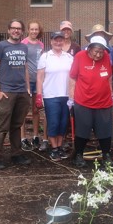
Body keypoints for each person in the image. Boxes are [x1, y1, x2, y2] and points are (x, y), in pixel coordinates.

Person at [0, 19, 32, 170]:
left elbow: (25, 68)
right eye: (13, 28)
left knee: (16, 125)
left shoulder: (24, 47)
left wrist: (27, 89)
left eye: (19, 28)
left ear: (22, 31)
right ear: (8, 30)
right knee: (2, 126)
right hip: (7, 92)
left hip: (21, 93)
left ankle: (16, 154)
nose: (16, 31)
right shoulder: (0, 46)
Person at [69, 35, 113, 168]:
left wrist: (111, 94)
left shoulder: (106, 56)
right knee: (82, 130)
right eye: (96, 51)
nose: (99, 54)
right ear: (89, 49)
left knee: (105, 129)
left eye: (101, 51)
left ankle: (106, 154)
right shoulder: (79, 56)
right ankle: (78, 155)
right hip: (83, 101)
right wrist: (71, 98)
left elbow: (109, 77)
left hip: (104, 101)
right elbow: (72, 78)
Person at [35, 31, 74, 159]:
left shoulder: (68, 57)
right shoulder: (45, 57)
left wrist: (72, 95)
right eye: (55, 40)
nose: (58, 42)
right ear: (51, 41)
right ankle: (54, 148)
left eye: (60, 40)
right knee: (53, 122)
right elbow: (40, 78)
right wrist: (39, 94)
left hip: (66, 95)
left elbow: (73, 78)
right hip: (51, 95)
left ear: (64, 41)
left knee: (63, 123)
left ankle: (60, 146)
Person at [20, 20, 45, 150]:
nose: (34, 31)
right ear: (28, 30)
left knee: (36, 110)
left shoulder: (41, 45)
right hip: (26, 81)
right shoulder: (23, 44)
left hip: (38, 80)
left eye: (36, 29)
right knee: (24, 110)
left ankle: (35, 136)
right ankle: (23, 138)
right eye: (32, 29)